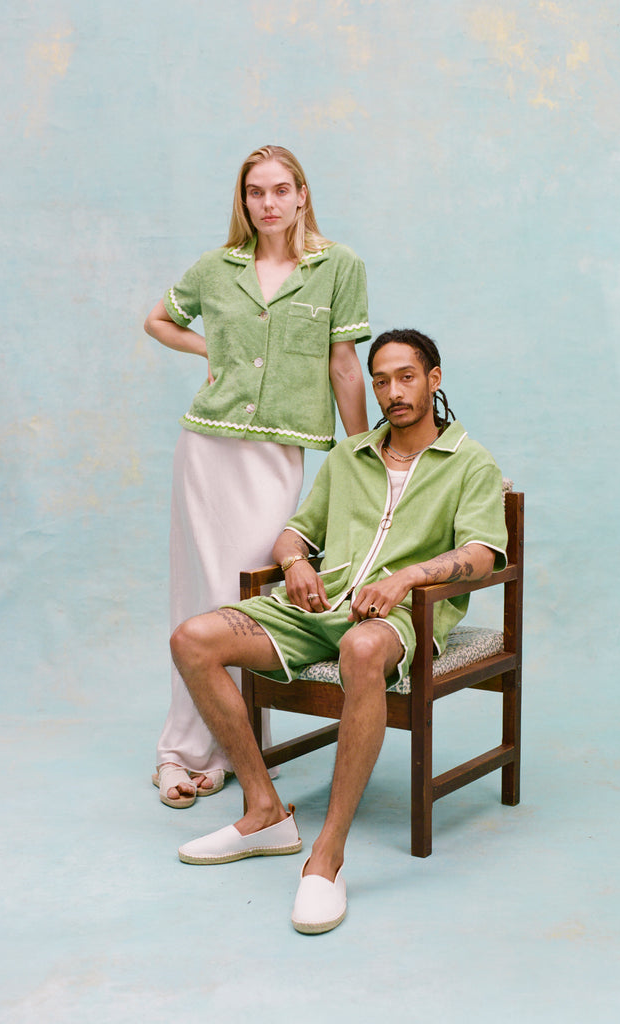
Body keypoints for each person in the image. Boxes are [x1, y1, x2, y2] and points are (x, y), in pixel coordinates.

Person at [169, 328, 508, 934]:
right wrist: (297, 562)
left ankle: (326, 857)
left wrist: (405, 579)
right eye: (381, 379)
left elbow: (482, 553)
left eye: (407, 376)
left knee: (362, 644)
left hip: (403, 617)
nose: (393, 391)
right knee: (192, 638)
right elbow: (296, 532)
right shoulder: (350, 459)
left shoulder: (471, 461)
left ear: (434, 379)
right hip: (320, 610)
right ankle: (265, 810)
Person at [144, 146, 370, 808]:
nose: (267, 203)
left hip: (277, 451)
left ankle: (226, 744)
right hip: (206, 449)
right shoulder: (218, 269)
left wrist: (361, 458)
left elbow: (345, 366)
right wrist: (206, 348)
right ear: (243, 201)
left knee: (245, 593)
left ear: (302, 195)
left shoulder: (339, 267)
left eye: (279, 190)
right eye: (254, 193)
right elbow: (160, 319)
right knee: (200, 594)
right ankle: (188, 751)